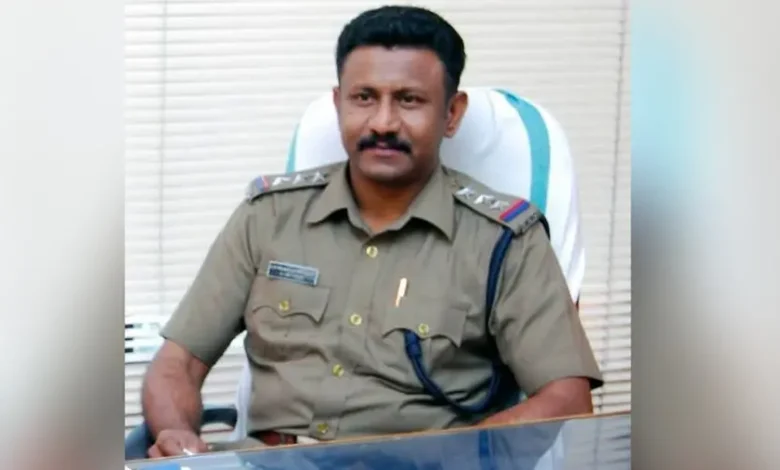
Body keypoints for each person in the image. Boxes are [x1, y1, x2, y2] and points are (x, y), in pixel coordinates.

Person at [140, 5, 603, 458]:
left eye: (409, 100)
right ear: (338, 102)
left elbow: (565, 398)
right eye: (364, 97)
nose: (383, 122)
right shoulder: (269, 216)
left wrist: (459, 455)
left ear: (452, 113)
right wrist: (178, 436)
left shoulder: (504, 241)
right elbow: (179, 362)